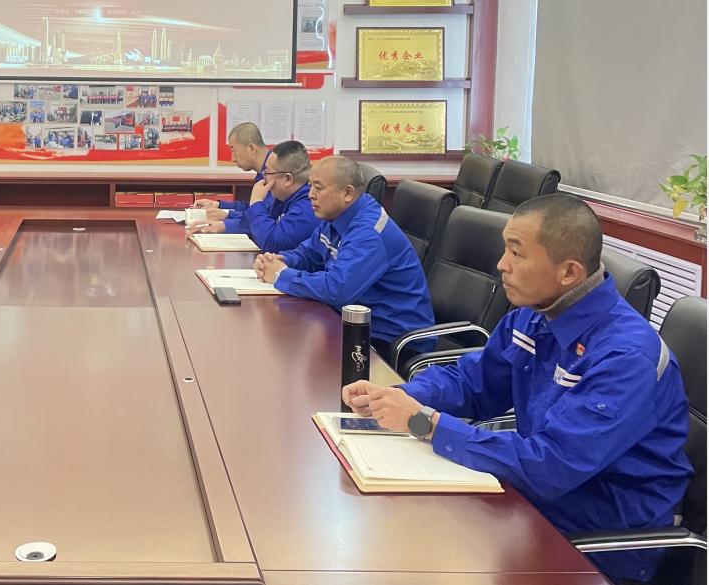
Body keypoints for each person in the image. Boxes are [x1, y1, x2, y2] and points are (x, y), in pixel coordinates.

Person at [343, 194, 692, 584]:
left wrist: (425, 423)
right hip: (537, 497)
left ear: (569, 272)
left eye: (516, 253)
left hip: (601, 534)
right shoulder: (534, 314)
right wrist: (404, 396)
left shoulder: (625, 357)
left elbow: (552, 466)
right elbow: (474, 384)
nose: (501, 264)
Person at [254, 156, 432, 350]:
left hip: (390, 340)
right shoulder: (336, 214)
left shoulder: (369, 233)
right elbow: (309, 254)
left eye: (318, 188)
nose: (310, 195)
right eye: (310, 186)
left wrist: (281, 274)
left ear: (347, 193)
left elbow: (337, 289)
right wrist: (280, 260)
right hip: (352, 323)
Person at [188, 140, 318, 252]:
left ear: (288, 179)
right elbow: (259, 223)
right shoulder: (282, 197)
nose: (264, 178)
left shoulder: (308, 206)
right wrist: (221, 226)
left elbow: (272, 242)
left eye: (267, 172)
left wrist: (256, 202)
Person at [193, 122, 270, 218]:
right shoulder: (263, 172)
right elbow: (253, 207)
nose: (233, 159)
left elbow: (267, 216)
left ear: (251, 148)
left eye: (234, 150)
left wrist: (228, 215)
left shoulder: (276, 173)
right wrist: (219, 205)